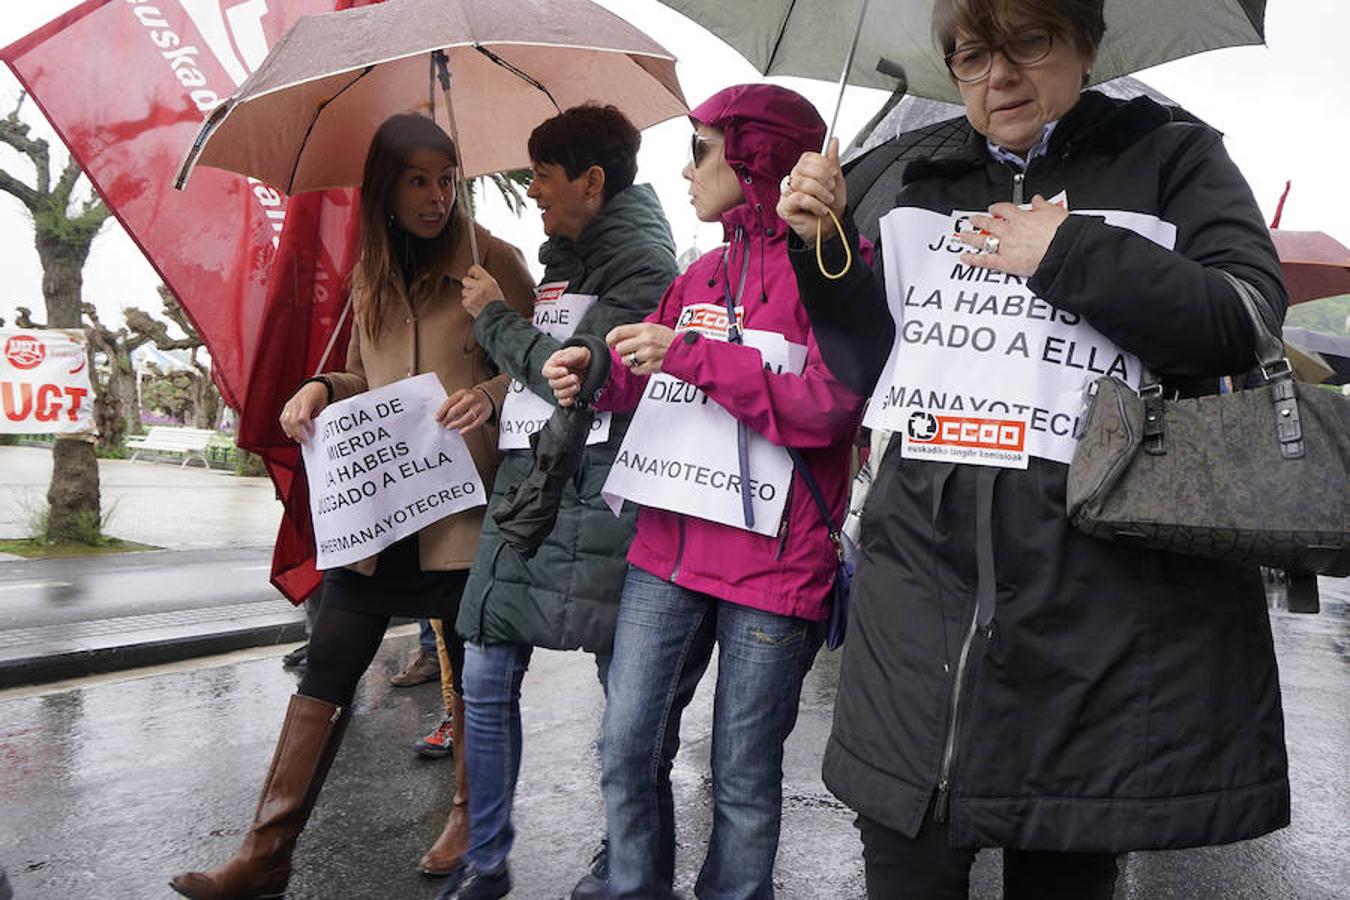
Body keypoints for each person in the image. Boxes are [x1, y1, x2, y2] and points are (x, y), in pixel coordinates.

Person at [779, 1, 1291, 897]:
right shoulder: (919, 176)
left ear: (1087, 45)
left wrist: (1069, 250)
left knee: (1064, 865)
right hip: (919, 599)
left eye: (1029, 41)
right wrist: (819, 255)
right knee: (903, 865)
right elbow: (870, 366)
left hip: (1092, 613)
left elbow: (1243, 321)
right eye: (970, 55)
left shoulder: (1175, 157)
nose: (998, 75)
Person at [169, 113, 534, 900]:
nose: (437, 197)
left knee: (473, 676)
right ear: (385, 190)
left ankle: (470, 820)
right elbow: (359, 375)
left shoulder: (493, 261)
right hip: (379, 519)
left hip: (462, 519)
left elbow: (542, 374)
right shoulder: (370, 269)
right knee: (329, 665)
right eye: (418, 181)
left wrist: (490, 390)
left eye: (447, 179)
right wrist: (317, 388)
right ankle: (266, 853)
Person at [544, 84, 864, 900]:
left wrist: (689, 355)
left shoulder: (836, 269)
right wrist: (600, 374)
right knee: (624, 743)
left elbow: (830, 410)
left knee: (745, 779)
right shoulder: (703, 268)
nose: (684, 171)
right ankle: (630, 885)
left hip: (777, 566)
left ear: (755, 157)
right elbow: (648, 376)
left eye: (700, 149)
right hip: (669, 550)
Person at [431, 103, 679, 900]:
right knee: (487, 669)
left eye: (543, 174)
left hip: (602, 501)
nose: (531, 189)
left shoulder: (645, 261)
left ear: (592, 180)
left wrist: (493, 317)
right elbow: (539, 374)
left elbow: (575, 376)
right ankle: (486, 859)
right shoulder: (562, 257)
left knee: (629, 708)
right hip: (532, 490)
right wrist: (500, 373)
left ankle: (625, 855)